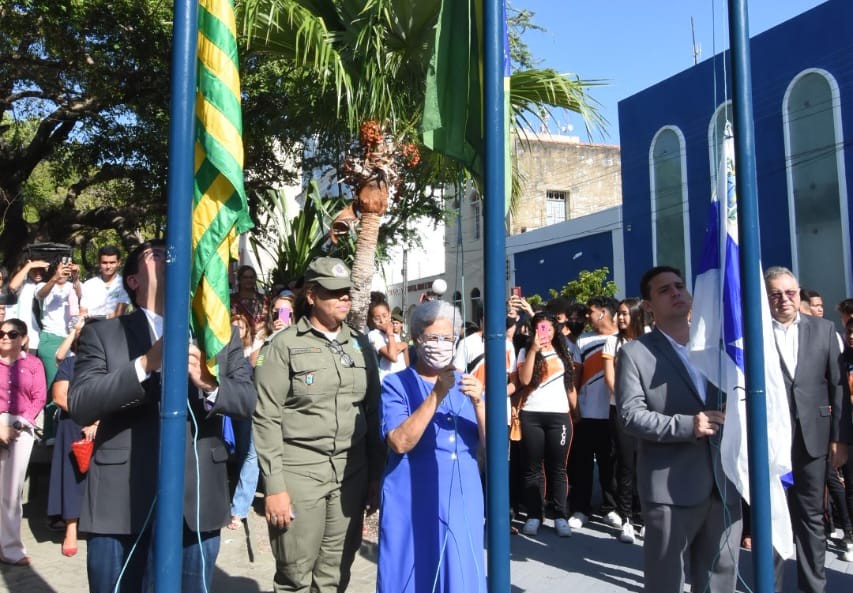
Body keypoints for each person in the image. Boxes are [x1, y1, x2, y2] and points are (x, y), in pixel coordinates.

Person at [68, 240, 256, 593]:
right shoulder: (103, 333)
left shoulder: (218, 333)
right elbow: (81, 402)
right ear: (134, 280)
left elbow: (248, 400)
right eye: (155, 254)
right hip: (120, 503)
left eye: (173, 251)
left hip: (196, 498)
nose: (169, 255)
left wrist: (209, 383)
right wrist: (144, 365)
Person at [253, 256, 384, 593]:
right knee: (295, 574)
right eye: (333, 292)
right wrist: (275, 486)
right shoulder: (283, 346)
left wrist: (374, 475)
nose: (344, 298)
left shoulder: (361, 345)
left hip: (350, 473)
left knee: (336, 572)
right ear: (311, 295)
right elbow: (266, 418)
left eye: (347, 292)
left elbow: (371, 412)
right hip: (300, 473)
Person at [615, 266, 741, 593]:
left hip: (724, 482)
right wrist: (689, 425)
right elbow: (630, 416)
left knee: (720, 579)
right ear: (648, 306)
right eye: (665, 290)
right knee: (665, 582)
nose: (676, 293)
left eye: (680, 286)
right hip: (670, 488)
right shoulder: (635, 353)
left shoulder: (718, 347)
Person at [376, 300, 486, 593]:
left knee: (460, 572)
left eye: (448, 338)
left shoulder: (469, 385)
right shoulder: (396, 385)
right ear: (416, 339)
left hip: (462, 496)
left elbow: (494, 449)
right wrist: (437, 394)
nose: (441, 345)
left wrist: (479, 404)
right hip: (411, 495)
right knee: (412, 571)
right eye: (433, 338)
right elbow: (399, 442)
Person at [764, 266, 851, 593]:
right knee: (772, 518)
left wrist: (840, 439)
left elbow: (838, 386)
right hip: (770, 440)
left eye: (790, 293)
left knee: (811, 519)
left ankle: (812, 587)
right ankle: (768, 585)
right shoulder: (754, 332)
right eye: (776, 294)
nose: (784, 300)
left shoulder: (825, 329)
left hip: (813, 439)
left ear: (798, 294)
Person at [516, 311, 578, 537]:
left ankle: (561, 515)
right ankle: (534, 514)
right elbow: (523, 380)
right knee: (533, 468)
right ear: (534, 330)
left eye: (549, 328)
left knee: (558, 467)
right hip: (531, 413)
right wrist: (533, 349)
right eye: (541, 328)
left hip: (559, 416)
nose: (545, 332)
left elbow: (570, 385)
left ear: (555, 330)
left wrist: (575, 411)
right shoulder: (525, 350)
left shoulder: (563, 352)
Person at [568, 296, 620, 530]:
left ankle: (611, 508)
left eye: (591, 311)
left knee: (612, 465)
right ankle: (581, 508)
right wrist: (575, 407)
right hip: (586, 414)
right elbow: (575, 377)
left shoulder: (622, 339)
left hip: (613, 414)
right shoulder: (583, 340)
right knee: (582, 465)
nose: (587, 316)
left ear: (603, 313)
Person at [46, 316, 95, 557]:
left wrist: (99, 421)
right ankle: (71, 529)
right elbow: (58, 396)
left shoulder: (108, 364)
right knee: (71, 477)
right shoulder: (70, 363)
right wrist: (88, 419)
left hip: (102, 426)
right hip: (73, 424)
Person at [0, 318, 47, 566]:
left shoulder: (34, 364)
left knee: (11, 491)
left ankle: (10, 548)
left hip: (21, 428)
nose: (6, 336)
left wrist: (17, 426)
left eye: (13, 333)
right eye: (2, 332)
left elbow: (39, 397)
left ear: (24, 338)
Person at [602, 297, 645, 544]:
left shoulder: (650, 338)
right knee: (626, 465)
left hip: (648, 412)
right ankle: (627, 518)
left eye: (625, 314)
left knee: (646, 464)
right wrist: (626, 402)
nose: (620, 318)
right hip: (621, 410)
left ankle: (646, 517)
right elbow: (611, 378)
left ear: (638, 315)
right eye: (619, 313)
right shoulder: (612, 341)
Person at [227, 313, 261, 531]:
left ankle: (238, 508)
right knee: (241, 453)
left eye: (241, 327)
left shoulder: (268, 341)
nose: (237, 330)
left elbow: (257, 365)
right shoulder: (231, 348)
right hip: (237, 406)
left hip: (260, 406)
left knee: (250, 454)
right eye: (233, 326)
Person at [8, 258, 51, 354]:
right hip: (22, 338)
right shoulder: (24, 283)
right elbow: (12, 286)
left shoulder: (49, 284)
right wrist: (29, 265)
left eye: (41, 269)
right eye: (35, 269)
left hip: (42, 340)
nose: (38, 272)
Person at [79, 245, 130, 319]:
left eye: (112, 262)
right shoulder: (89, 284)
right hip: (91, 327)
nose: (108, 266)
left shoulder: (124, 284)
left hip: (115, 327)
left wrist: (97, 318)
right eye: (104, 263)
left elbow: (118, 313)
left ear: (119, 263)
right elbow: (83, 311)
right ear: (99, 263)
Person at [367, 299, 408, 381]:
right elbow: (393, 357)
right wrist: (389, 332)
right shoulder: (373, 335)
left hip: (403, 380)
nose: (382, 321)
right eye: (377, 318)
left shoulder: (395, 335)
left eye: (384, 315)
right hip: (388, 382)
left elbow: (405, 361)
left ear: (389, 315)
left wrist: (405, 346)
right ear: (372, 320)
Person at [231, 265, 269, 338]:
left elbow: (268, 319)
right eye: (245, 277)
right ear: (239, 279)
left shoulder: (264, 299)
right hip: (239, 338)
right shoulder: (232, 300)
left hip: (260, 338)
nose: (248, 280)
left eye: (251, 277)